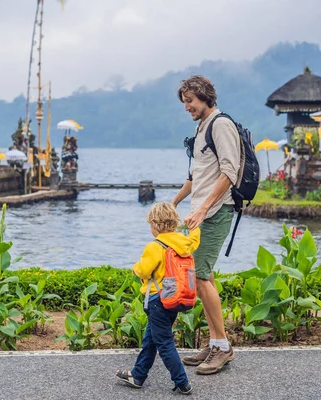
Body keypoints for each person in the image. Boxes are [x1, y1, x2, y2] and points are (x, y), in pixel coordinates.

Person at [171, 75, 241, 375]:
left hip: (215, 213)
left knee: (199, 277)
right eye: (185, 102)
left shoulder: (221, 124)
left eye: (190, 101)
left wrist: (203, 208)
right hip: (201, 215)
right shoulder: (201, 128)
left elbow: (230, 171)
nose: (187, 107)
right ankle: (215, 343)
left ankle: (223, 347)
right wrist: (172, 204)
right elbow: (195, 176)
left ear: (204, 97)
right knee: (205, 276)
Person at [116, 202, 200, 395]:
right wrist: (194, 227)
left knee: (164, 343)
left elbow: (144, 270)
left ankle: (182, 382)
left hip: (157, 300)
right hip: (174, 300)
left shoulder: (155, 246)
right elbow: (195, 241)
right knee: (151, 340)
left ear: (155, 224)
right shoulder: (183, 242)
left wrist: (136, 267)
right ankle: (137, 375)